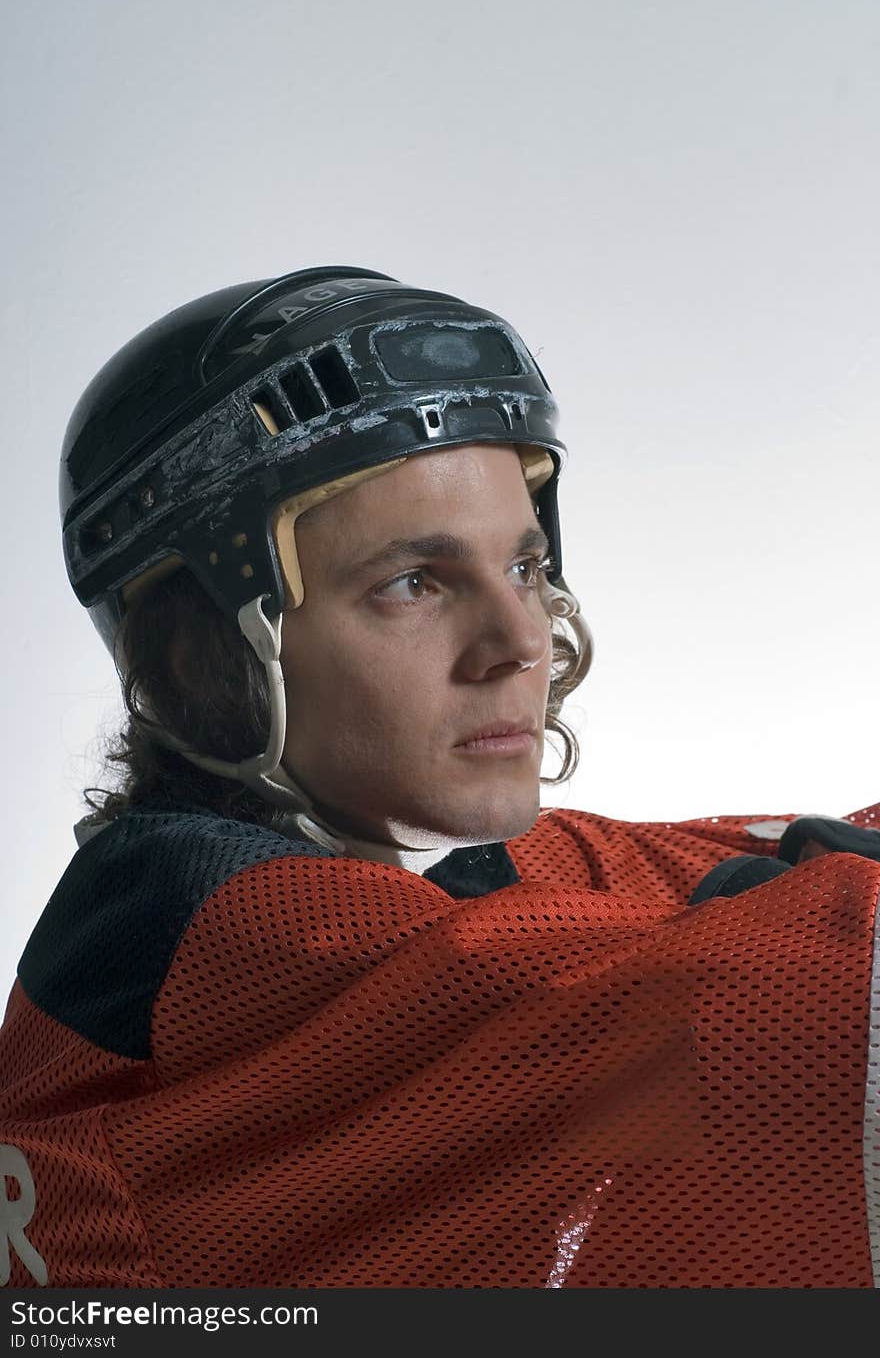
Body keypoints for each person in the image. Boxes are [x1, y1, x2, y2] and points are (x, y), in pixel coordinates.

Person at [1, 266, 878, 1290]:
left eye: (522, 565)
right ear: (204, 658)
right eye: (414, 582)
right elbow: (785, 998)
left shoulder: (420, 862)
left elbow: (734, 870)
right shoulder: (204, 944)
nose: (519, 641)